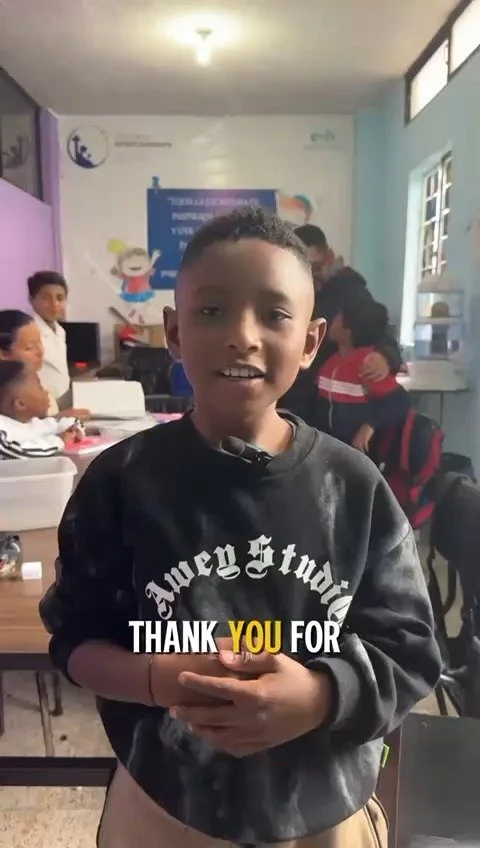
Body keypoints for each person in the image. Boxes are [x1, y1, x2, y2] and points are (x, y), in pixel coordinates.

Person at [39, 207, 440, 848]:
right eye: (212, 311)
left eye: (274, 314)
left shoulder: (354, 487)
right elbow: (76, 641)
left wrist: (320, 695)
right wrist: (159, 678)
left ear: (310, 342)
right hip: (166, 805)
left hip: (322, 807)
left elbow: (411, 651)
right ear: (174, 331)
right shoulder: (121, 483)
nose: (242, 336)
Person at [279, 224, 402, 425]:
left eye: (316, 268)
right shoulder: (284, 290)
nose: (311, 276)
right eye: (303, 269)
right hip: (289, 401)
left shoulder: (350, 292)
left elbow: (380, 333)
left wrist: (385, 356)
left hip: (329, 408)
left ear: (330, 257)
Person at [316, 289, 410, 453]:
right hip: (330, 446)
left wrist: (370, 425)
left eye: (337, 318)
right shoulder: (331, 362)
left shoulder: (368, 364)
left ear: (348, 331)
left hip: (360, 452)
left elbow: (398, 401)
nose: (331, 320)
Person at [0, 309, 90, 421]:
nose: (40, 352)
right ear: (3, 354)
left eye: (40, 342)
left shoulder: (35, 379)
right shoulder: (9, 395)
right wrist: (55, 422)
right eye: (29, 347)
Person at [0, 360, 82, 459]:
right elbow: (18, 451)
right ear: (21, 404)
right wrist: (59, 441)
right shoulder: (3, 428)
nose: (46, 391)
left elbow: (63, 423)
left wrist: (75, 429)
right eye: (40, 387)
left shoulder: (36, 423)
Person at [27, 271, 71, 407]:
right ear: (31, 299)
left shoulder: (60, 331)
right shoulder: (27, 332)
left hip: (62, 401)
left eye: (60, 298)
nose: (54, 304)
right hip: (40, 407)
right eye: (46, 298)